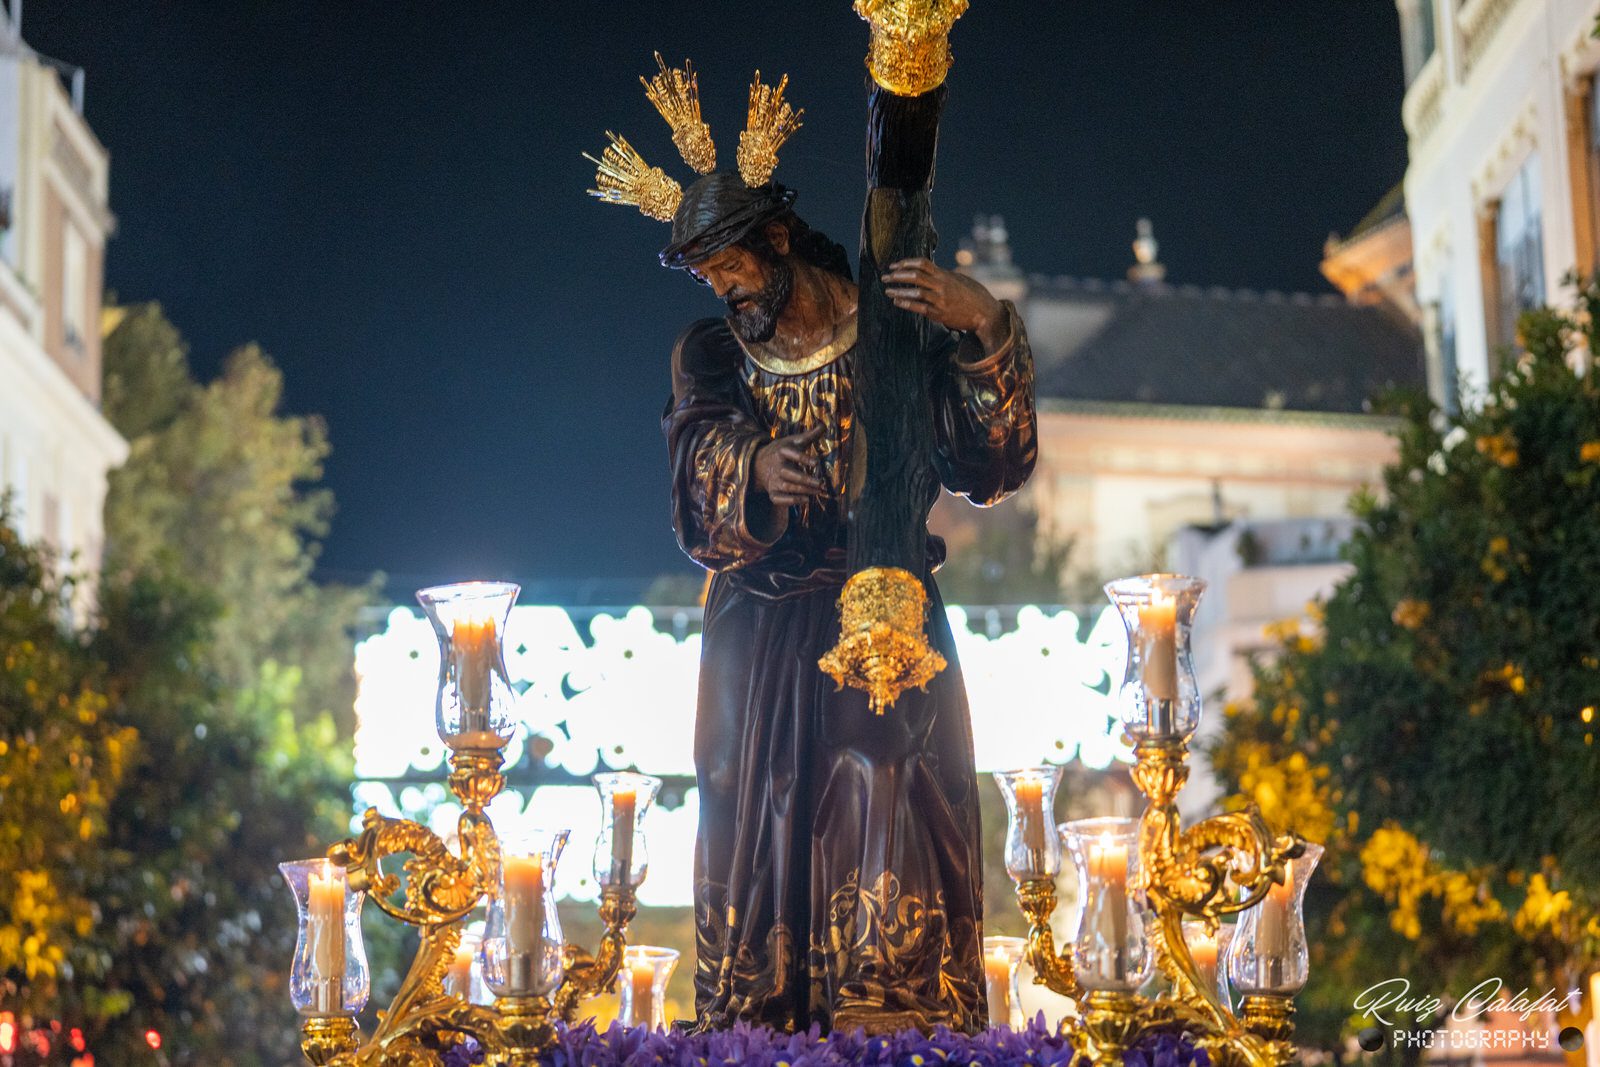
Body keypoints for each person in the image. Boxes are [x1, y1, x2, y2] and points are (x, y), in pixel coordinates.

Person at [659, 135, 1037, 1031]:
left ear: (780, 237)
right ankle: (757, 1032)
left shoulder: (895, 338)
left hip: (883, 612)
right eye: (708, 277)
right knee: (748, 811)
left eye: (732, 268)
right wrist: (751, 466)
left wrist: (985, 326)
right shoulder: (712, 354)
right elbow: (691, 475)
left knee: (888, 789)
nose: (725, 291)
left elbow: (991, 463)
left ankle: (894, 1025)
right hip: (757, 631)